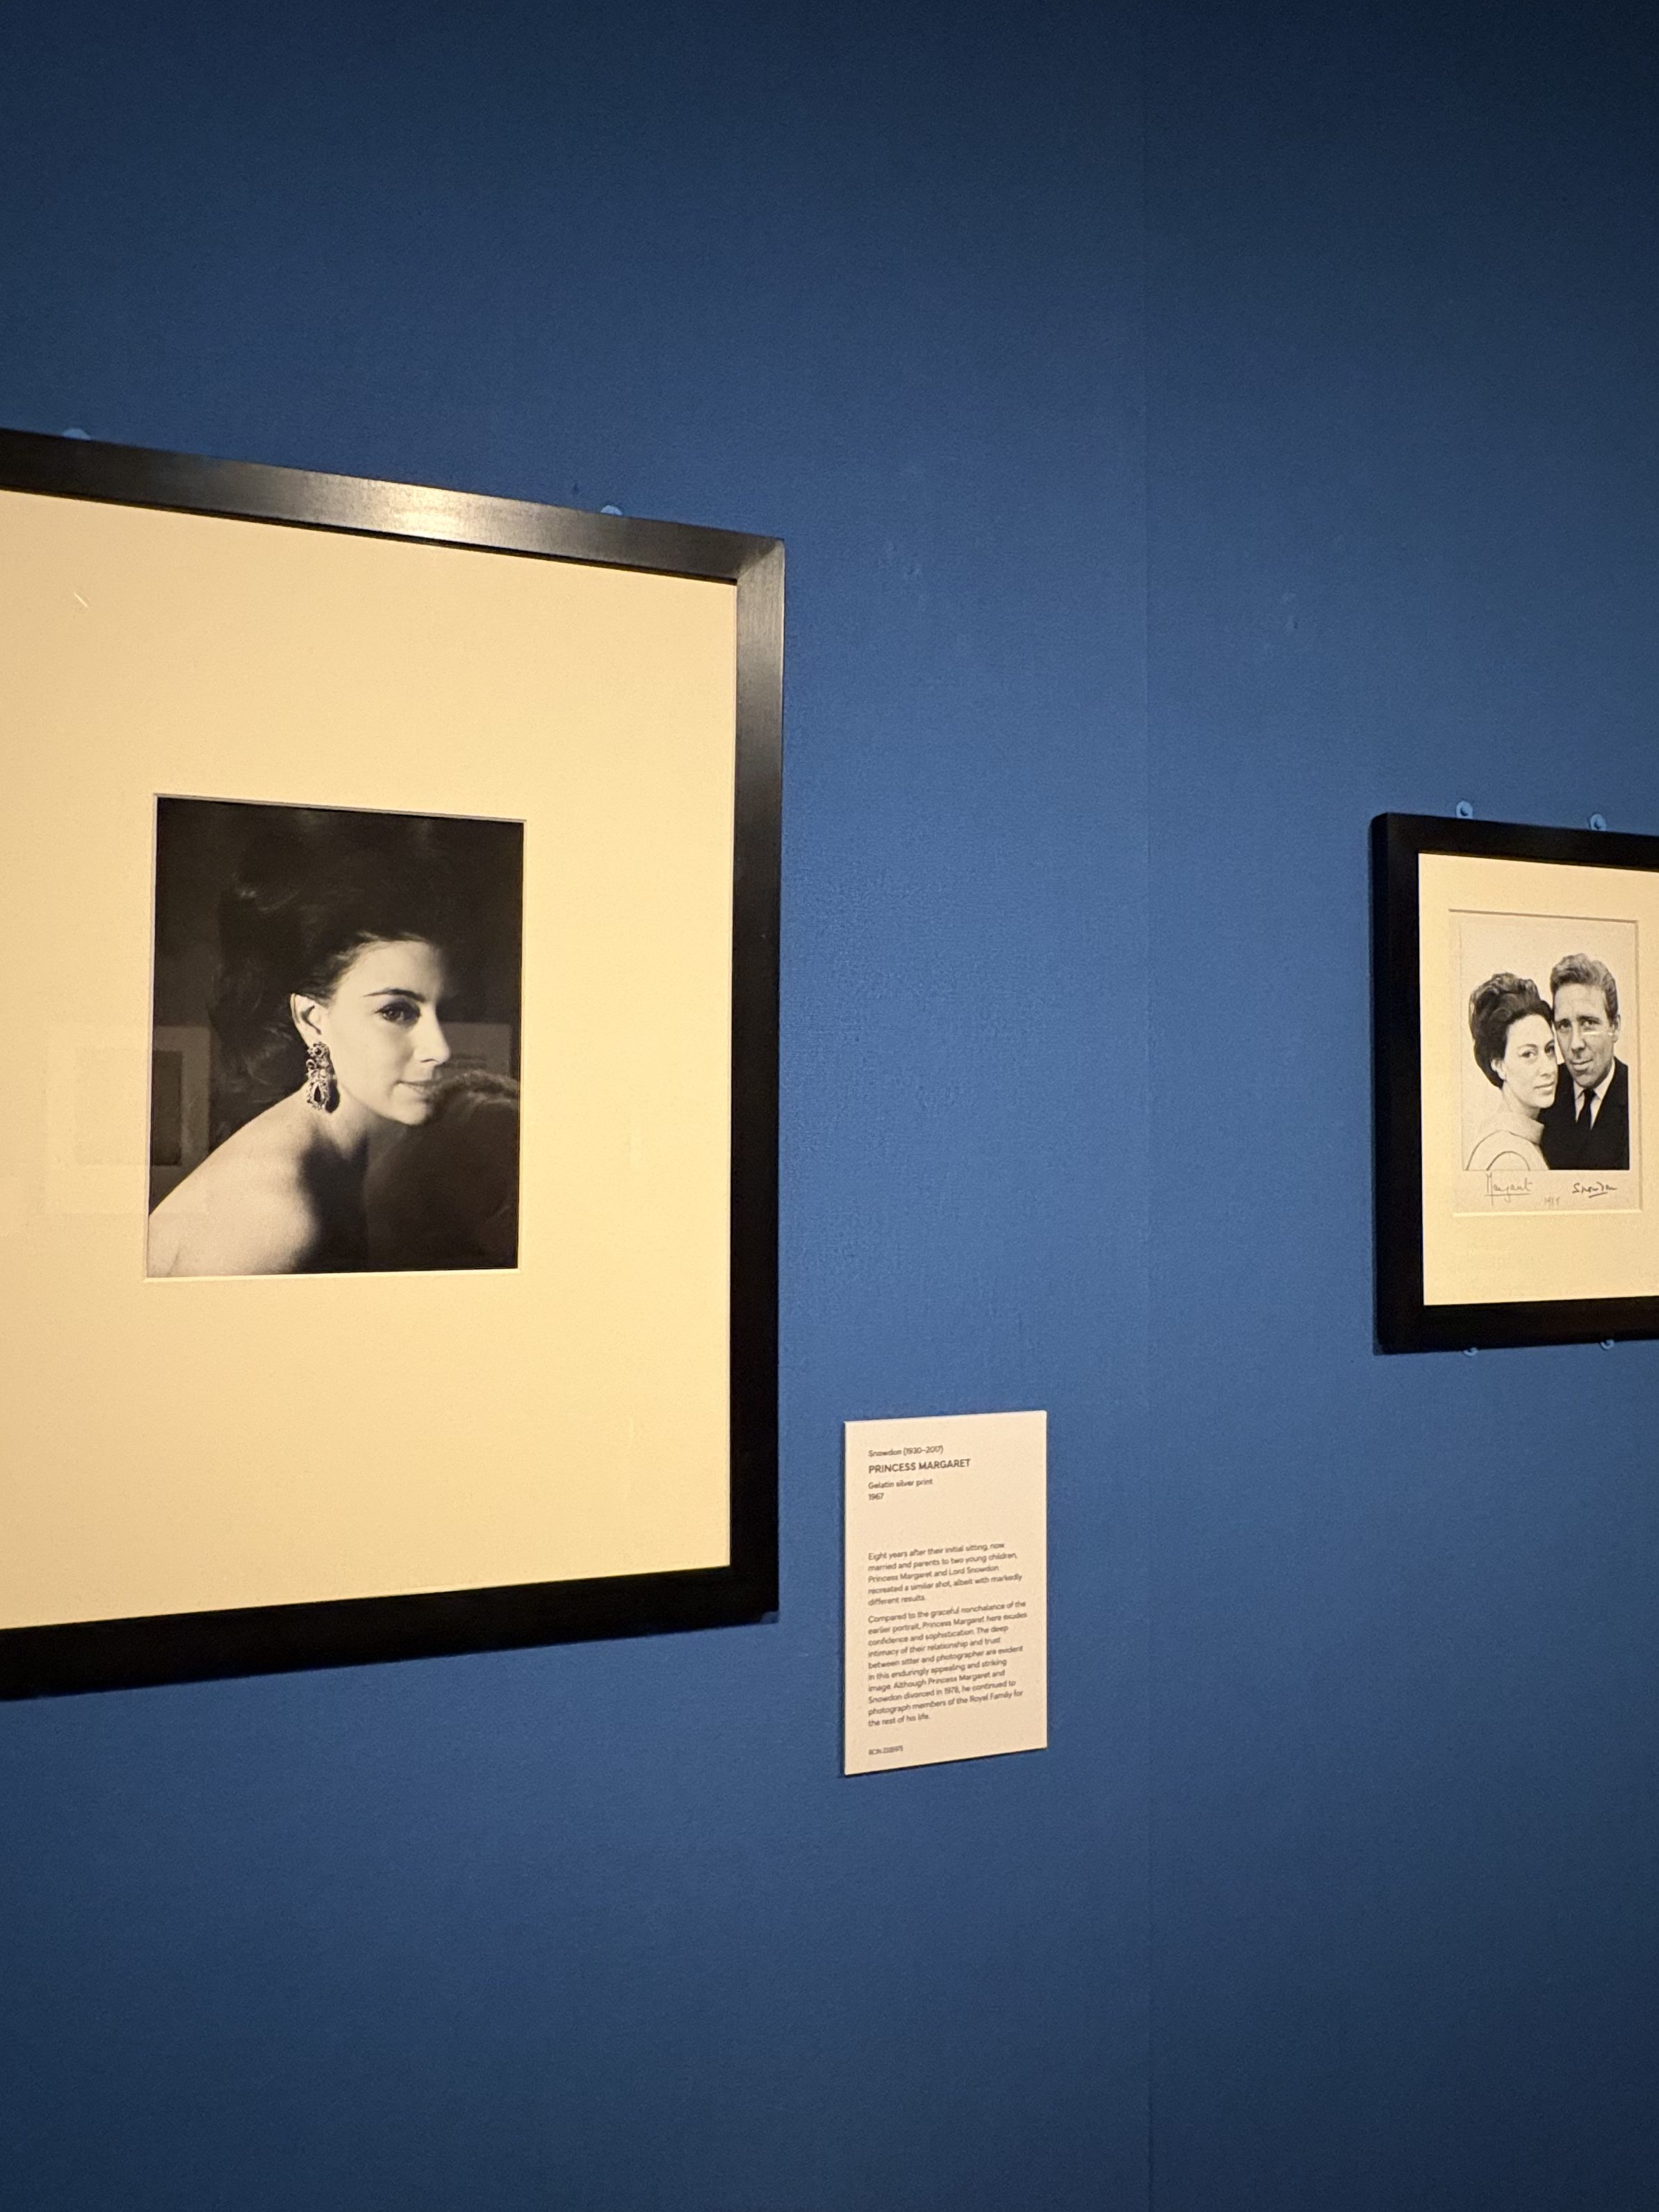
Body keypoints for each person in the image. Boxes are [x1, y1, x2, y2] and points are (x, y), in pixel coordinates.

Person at [147, 812, 472, 1277]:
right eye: (396, 1012)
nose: (440, 1049)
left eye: (447, 1011)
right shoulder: (275, 1217)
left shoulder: (346, 1164)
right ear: (312, 1019)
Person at [1539, 953, 1630, 1172]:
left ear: (1614, 1027)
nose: (1575, 1044)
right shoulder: (1543, 1091)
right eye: (1564, 1026)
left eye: (1588, 1023)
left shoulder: (1642, 1096)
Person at [1464, 973, 1558, 1173]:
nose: (1548, 1069)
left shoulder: (1520, 1141)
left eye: (1549, 1050)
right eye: (1528, 1054)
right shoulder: (1508, 1158)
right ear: (1499, 1065)